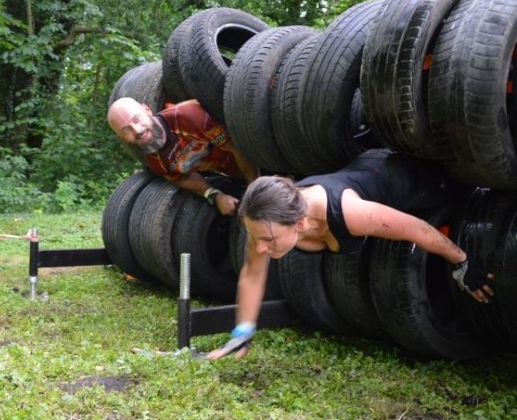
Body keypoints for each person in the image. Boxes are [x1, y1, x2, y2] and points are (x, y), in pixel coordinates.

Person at [206, 149, 495, 359]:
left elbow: (418, 230)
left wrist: (463, 263)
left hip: (411, 179)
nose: (260, 248)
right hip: (364, 170)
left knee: (461, 197)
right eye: (256, 238)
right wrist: (242, 332)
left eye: (267, 240)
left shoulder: (350, 213)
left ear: (301, 223)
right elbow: (252, 274)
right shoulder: (265, 222)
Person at [107, 97, 259, 215]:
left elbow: (237, 147)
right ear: (123, 138)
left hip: (262, 158)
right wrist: (216, 196)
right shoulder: (157, 163)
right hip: (239, 177)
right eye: (126, 130)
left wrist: (255, 188)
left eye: (136, 119)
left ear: (147, 110)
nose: (137, 130)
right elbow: (184, 179)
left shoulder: (189, 116)